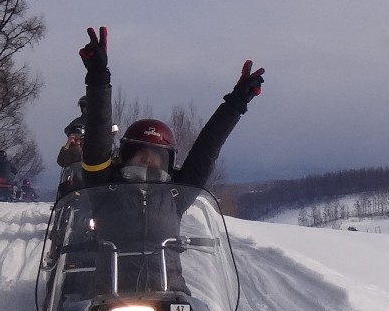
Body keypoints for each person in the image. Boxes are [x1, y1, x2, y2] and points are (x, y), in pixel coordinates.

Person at [74, 26, 264, 189]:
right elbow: (98, 129)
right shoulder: (102, 184)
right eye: (141, 151)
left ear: (168, 161)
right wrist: (98, 77)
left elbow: (207, 148)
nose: (148, 159)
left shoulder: (178, 192)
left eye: (156, 154)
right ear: (126, 154)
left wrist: (237, 102)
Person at [55, 117, 86, 197]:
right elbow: (61, 162)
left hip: (86, 179)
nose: (77, 138)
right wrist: (68, 144)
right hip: (72, 180)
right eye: (75, 136)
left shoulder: (87, 148)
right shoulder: (68, 149)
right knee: (63, 188)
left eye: (79, 136)